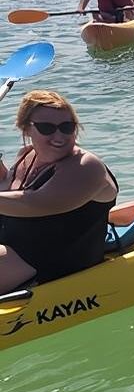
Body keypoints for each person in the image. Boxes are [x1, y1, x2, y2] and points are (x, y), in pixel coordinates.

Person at [0, 91, 118, 291]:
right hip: (12, 248)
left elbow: (36, 204)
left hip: (51, 264)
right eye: (47, 128)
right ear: (26, 128)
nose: (59, 136)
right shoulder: (26, 155)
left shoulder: (86, 166)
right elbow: (5, 189)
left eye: (67, 127)